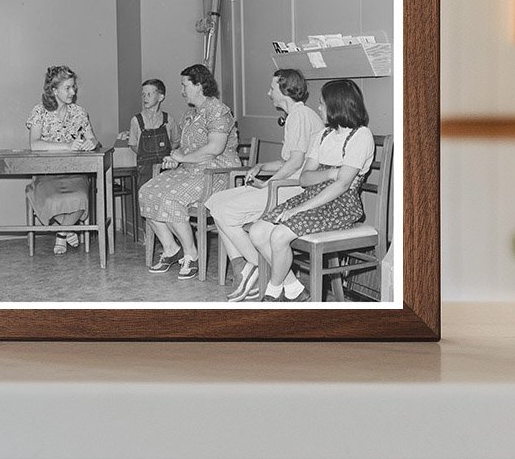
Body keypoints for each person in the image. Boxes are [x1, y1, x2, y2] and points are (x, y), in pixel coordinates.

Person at [248, 78, 375, 302]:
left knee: (279, 235)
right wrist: (329, 173)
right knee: (258, 232)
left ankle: (273, 292)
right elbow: (306, 179)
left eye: (322, 103)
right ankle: (295, 289)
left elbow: (342, 185)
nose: (318, 107)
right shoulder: (322, 136)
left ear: (337, 106)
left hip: (340, 204)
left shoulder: (361, 136)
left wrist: (300, 209)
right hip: (311, 195)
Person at [206, 69, 323, 303]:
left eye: (272, 88)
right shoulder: (296, 116)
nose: (268, 93)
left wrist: (269, 184)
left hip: (295, 189)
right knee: (214, 202)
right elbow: (289, 160)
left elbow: (296, 164)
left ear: (285, 90)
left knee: (225, 212)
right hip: (286, 182)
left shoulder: (300, 115)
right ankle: (269, 276)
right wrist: (261, 166)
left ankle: (255, 267)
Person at [139, 63, 239, 280]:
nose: (182, 90)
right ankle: (171, 249)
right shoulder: (190, 114)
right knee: (147, 192)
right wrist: (174, 158)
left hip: (217, 172)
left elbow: (215, 148)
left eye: (185, 85)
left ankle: (192, 254)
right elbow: (185, 148)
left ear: (199, 85)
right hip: (190, 170)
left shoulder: (218, 111)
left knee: (170, 198)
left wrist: (182, 158)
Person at [26, 64, 100, 255]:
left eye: (73, 87)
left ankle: (62, 232)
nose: (73, 92)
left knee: (82, 198)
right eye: (67, 88)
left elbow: (93, 139)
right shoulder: (39, 111)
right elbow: (35, 144)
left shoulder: (80, 113)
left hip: (75, 173)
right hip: (46, 174)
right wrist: (67, 146)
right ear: (53, 90)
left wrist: (91, 143)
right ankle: (69, 228)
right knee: (51, 199)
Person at [127, 78, 180, 192]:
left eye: (149, 94)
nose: (145, 97)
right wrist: (144, 154)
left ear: (161, 97)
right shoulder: (136, 120)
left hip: (165, 169)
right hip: (145, 170)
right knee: (145, 195)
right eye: (143, 94)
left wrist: (168, 153)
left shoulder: (168, 120)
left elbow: (176, 141)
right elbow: (133, 144)